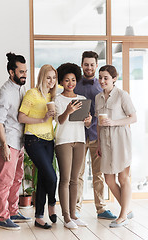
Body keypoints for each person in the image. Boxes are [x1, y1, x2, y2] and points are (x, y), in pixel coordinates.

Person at [74, 51, 116, 219]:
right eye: (86, 64)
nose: (89, 67)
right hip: (78, 135)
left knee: (98, 174)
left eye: (92, 64)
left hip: (97, 137)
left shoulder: (102, 85)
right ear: (82, 65)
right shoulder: (75, 85)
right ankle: (76, 208)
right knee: (77, 174)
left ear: (96, 65)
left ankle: (101, 208)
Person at [95, 65, 137, 227]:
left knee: (123, 177)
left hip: (121, 140)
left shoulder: (122, 95)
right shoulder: (99, 98)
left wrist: (114, 122)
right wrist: (98, 143)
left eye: (105, 77)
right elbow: (98, 124)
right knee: (109, 179)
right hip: (105, 142)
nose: (102, 80)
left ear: (114, 78)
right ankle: (126, 210)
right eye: (100, 77)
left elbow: (133, 118)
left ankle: (122, 216)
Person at [0, 52, 32, 231]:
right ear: (11, 72)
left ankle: (13, 211)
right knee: (5, 180)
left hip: (19, 141)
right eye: (21, 71)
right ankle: (3, 217)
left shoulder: (21, 88)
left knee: (17, 178)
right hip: (8, 142)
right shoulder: (5, 92)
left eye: (25, 71)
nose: (24, 74)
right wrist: (4, 146)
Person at [18, 64, 57, 229]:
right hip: (33, 140)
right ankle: (52, 205)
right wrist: (41, 119)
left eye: (54, 78)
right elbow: (21, 117)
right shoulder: (32, 93)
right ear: (42, 77)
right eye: (48, 77)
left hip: (49, 140)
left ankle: (39, 217)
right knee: (52, 176)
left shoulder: (51, 96)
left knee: (43, 177)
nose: (52, 81)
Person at [54, 63, 92, 229]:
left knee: (75, 179)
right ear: (61, 81)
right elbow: (59, 121)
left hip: (80, 141)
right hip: (63, 141)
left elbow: (86, 125)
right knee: (65, 179)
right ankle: (66, 217)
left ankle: (74, 215)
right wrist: (68, 111)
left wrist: (89, 122)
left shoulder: (82, 100)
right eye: (67, 80)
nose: (70, 83)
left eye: (73, 80)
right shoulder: (58, 99)